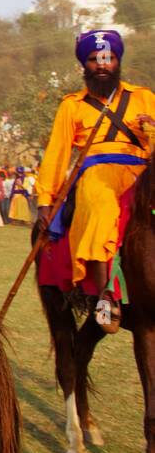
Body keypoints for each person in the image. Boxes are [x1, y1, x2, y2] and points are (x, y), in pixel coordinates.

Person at [36, 30, 155, 332]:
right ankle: (106, 298)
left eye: (109, 58)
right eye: (94, 59)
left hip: (141, 169)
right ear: (84, 65)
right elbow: (57, 154)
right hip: (97, 170)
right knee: (101, 206)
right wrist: (45, 200)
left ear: (118, 61)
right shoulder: (72, 105)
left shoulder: (144, 97)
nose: (102, 64)